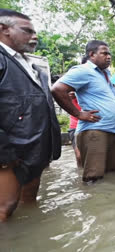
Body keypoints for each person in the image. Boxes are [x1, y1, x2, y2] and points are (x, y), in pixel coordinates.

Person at [0, 9, 61, 221]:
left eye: (35, 32)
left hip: (35, 147)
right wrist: (4, 154)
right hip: (9, 151)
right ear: (4, 29)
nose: (34, 36)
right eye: (27, 31)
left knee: (30, 200)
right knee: (5, 208)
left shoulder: (33, 66)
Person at [52, 40, 115, 183]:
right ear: (92, 54)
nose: (108, 56)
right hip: (95, 131)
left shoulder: (106, 74)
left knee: (112, 175)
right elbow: (57, 89)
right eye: (104, 53)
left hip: (113, 131)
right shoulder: (83, 70)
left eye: (109, 54)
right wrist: (78, 114)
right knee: (93, 178)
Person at [68, 91, 82, 169]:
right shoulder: (69, 93)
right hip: (75, 126)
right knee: (79, 156)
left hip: (92, 125)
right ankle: (80, 173)